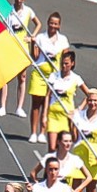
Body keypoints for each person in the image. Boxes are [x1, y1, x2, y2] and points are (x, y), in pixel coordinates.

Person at [0, 0, 38, 118]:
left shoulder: (28, 11)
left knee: (22, 77)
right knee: (5, 77)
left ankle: (19, 107)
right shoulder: (8, 10)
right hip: (9, 46)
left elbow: (38, 24)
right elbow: (2, 25)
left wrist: (32, 37)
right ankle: (2, 106)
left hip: (22, 47)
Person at [28, 12, 69, 143]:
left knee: (49, 104)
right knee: (36, 103)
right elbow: (34, 57)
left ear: (59, 25)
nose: (53, 26)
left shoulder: (63, 40)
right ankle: (33, 132)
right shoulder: (40, 38)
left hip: (54, 76)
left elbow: (66, 59)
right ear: (48, 23)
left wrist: (63, 77)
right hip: (39, 74)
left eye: (56, 24)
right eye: (51, 23)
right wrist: (32, 44)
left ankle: (42, 132)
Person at [43, 49, 85, 152]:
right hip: (53, 115)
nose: (64, 66)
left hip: (67, 117)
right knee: (52, 148)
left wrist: (78, 109)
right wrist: (44, 115)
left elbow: (89, 95)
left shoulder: (76, 78)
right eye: (62, 63)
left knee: (63, 149)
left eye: (66, 63)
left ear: (72, 63)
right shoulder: (54, 76)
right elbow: (47, 95)